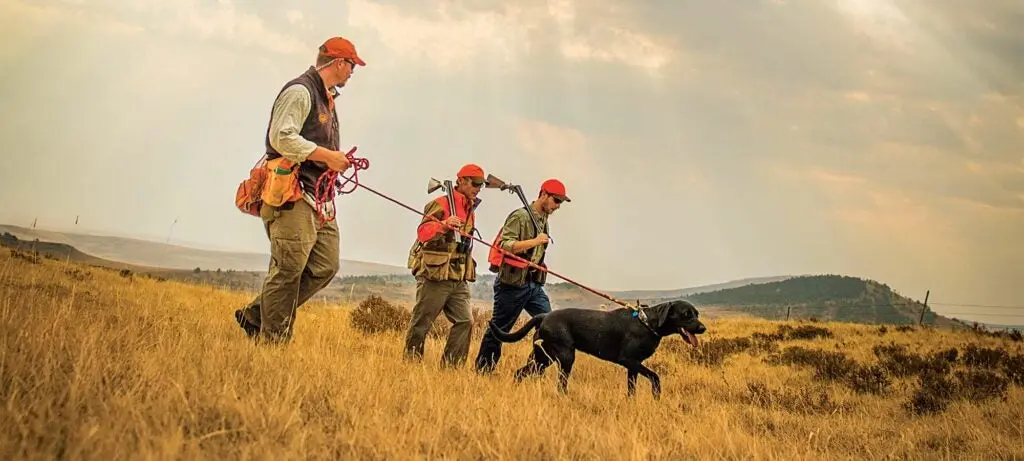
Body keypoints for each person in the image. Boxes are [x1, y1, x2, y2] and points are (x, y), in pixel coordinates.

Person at [234, 36, 366, 344]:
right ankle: (273, 344)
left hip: (319, 198)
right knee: (289, 270)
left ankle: (255, 315)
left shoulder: (326, 97)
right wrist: (328, 157)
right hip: (292, 194)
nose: (352, 72)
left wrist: (335, 161)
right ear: (339, 63)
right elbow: (282, 138)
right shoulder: (300, 91)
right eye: (352, 66)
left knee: (325, 266)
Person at [474, 178, 570, 373]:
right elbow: (505, 245)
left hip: (533, 285)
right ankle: (483, 371)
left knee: (550, 324)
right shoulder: (520, 216)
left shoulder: (543, 218)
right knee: (500, 329)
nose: (558, 206)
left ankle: (532, 370)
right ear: (544, 195)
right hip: (511, 285)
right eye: (556, 200)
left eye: (560, 202)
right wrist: (535, 241)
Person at [403, 164, 487, 368]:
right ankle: (410, 365)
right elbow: (422, 233)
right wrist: (444, 225)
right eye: (475, 183)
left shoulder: (470, 208)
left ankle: (451, 368)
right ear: (462, 181)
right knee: (422, 322)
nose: (478, 188)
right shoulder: (440, 203)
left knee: (465, 321)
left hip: (458, 276)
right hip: (435, 275)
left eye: (481, 185)